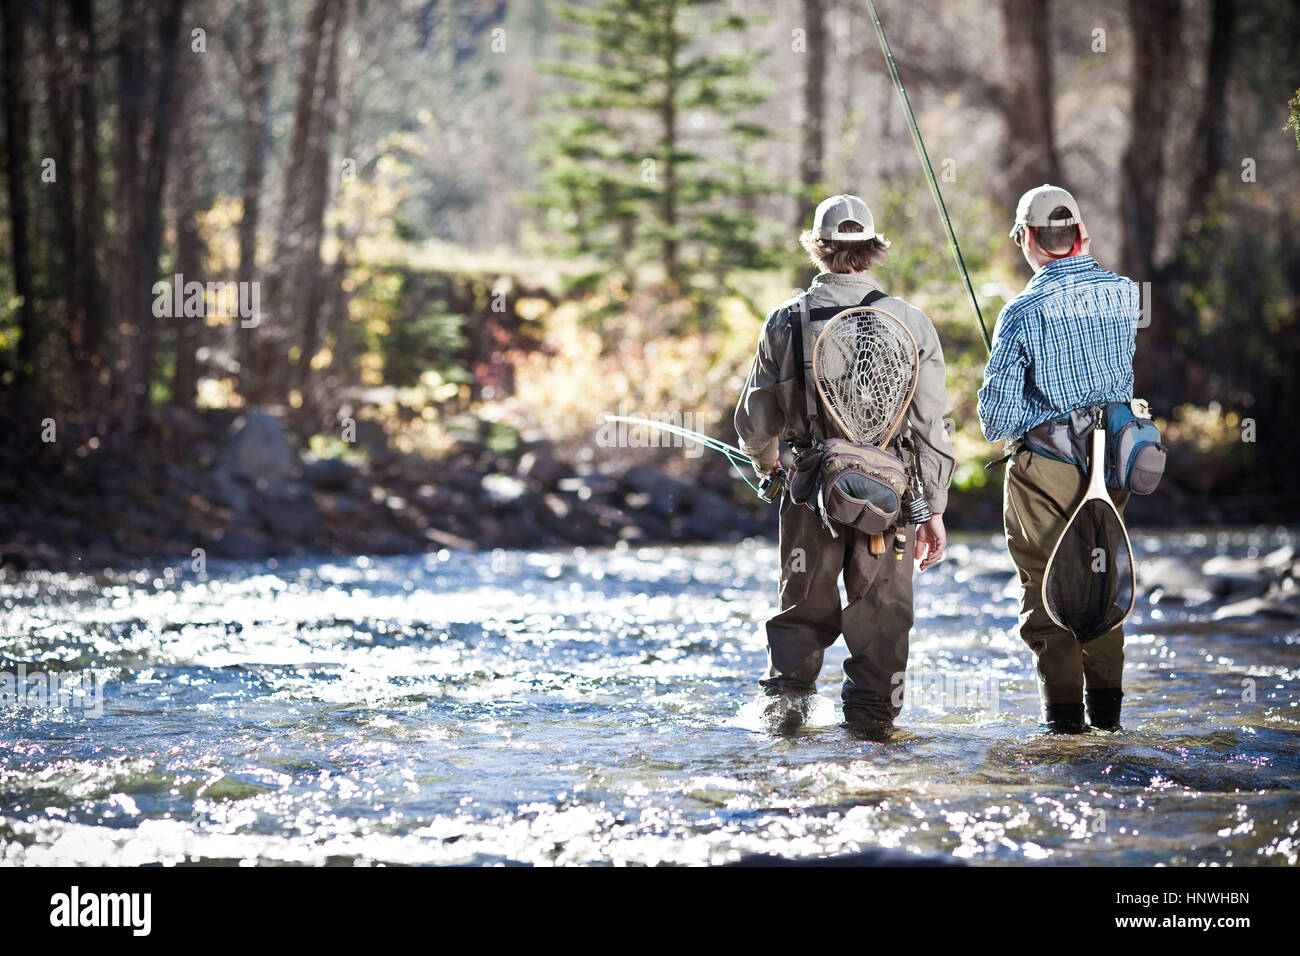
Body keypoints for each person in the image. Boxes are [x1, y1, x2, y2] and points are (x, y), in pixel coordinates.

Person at [734, 194, 954, 738]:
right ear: (873, 249)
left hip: (811, 492)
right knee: (883, 618)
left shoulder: (786, 320)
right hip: (894, 499)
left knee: (802, 610)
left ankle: (786, 729)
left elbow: (756, 422)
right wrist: (933, 509)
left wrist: (769, 469)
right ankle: (873, 737)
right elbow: (931, 429)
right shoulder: (911, 321)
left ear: (819, 248)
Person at [978, 184, 1140, 733]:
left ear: (1027, 238)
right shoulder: (1123, 294)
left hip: (1046, 466)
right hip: (1113, 458)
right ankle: (1111, 728)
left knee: (1048, 592)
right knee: (1101, 576)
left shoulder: (1022, 312)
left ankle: (1065, 730)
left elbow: (997, 420)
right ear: (1081, 235)